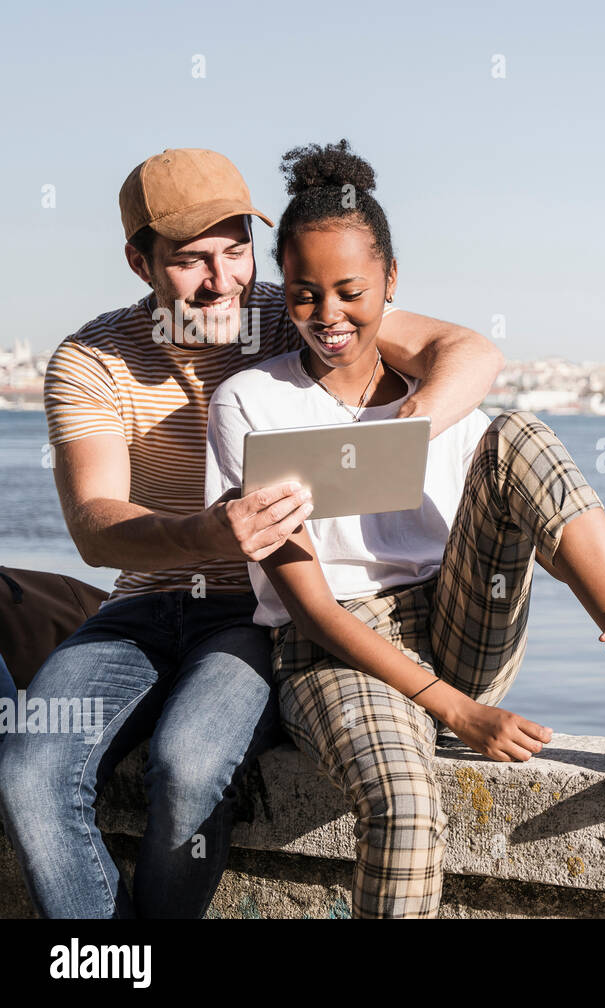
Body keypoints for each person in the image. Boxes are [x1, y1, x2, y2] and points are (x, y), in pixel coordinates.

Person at [205, 140, 605, 918]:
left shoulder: (439, 400)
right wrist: (458, 712)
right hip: (334, 648)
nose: (328, 316)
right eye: (303, 294)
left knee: (520, 432)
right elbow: (312, 605)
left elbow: (538, 509)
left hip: (459, 624)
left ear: (392, 284)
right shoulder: (251, 403)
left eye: (350, 291)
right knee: (407, 809)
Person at [0, 148, 504, 919]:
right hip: (138, 611)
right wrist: (206, 531)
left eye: (236, 251)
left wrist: (404, 437)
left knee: (191, 765)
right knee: (29, 773)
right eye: (191, 262)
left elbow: (469, 352)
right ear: (140, 262)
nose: (222, 281)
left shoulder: (295, 311)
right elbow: (96, 529)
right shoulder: (90, 359)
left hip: (259, 616)